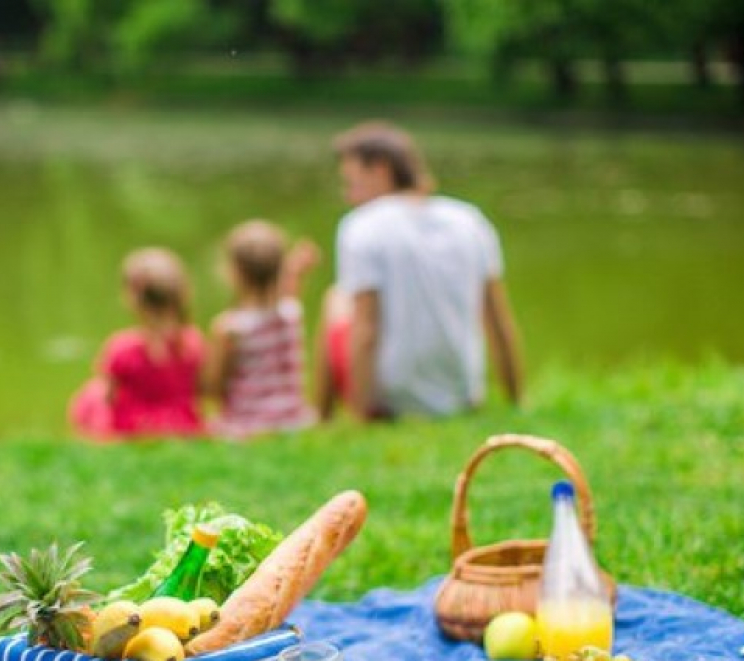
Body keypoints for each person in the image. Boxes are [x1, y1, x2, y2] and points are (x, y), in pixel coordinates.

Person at [316, 121, 524, 422]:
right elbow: (498, 320)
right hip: (464, 396)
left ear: (380, 170)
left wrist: (358, 419)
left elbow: (366, 331)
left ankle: (322, 417)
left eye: (352, 182)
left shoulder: (361, 225)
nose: (349, 196)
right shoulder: (469, 219)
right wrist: (517, 399)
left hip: (393, 402)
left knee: (335, 298)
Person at [68, 247, 205, 440]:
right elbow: (200, 390)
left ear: (132, 298)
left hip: (134, 427)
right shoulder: (193, 342)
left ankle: (84, 437)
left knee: (91, 393)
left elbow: (109, 397)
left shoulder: (123, 347)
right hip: (183, 424)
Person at [202, 220, 318, 439]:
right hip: (293, 421)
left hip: (247, 424)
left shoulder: (229, 328)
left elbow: (212, 388)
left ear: (234, 273)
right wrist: (297, 271)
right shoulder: (292, 313)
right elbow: (287, 294)